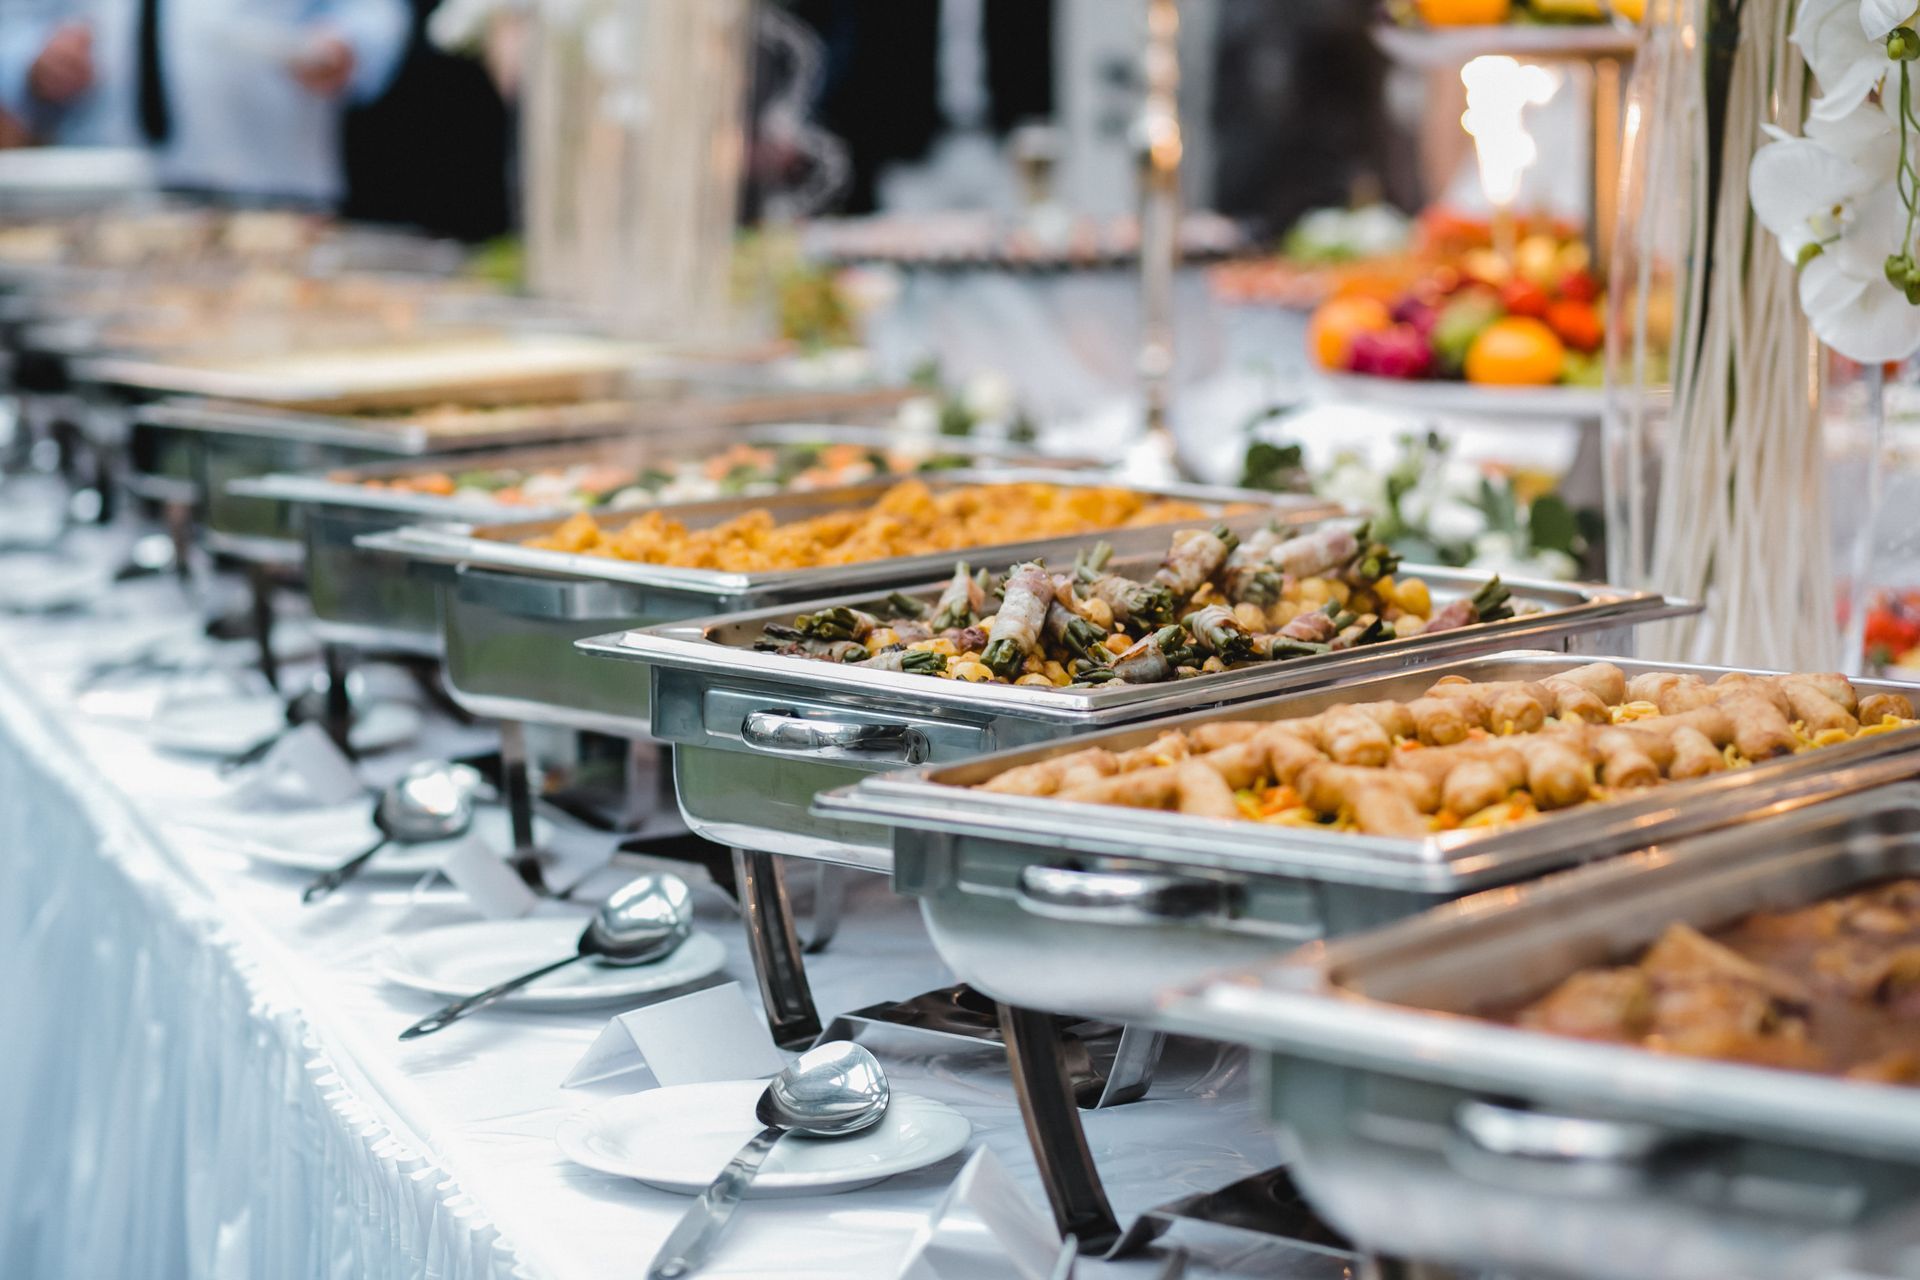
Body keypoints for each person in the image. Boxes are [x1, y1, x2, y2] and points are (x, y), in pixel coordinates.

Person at [0, 0, 409, 206]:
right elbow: (15, 23)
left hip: (267, 188)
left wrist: (347, 46)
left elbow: (372, 13)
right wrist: (32, 62)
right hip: (100, 192)